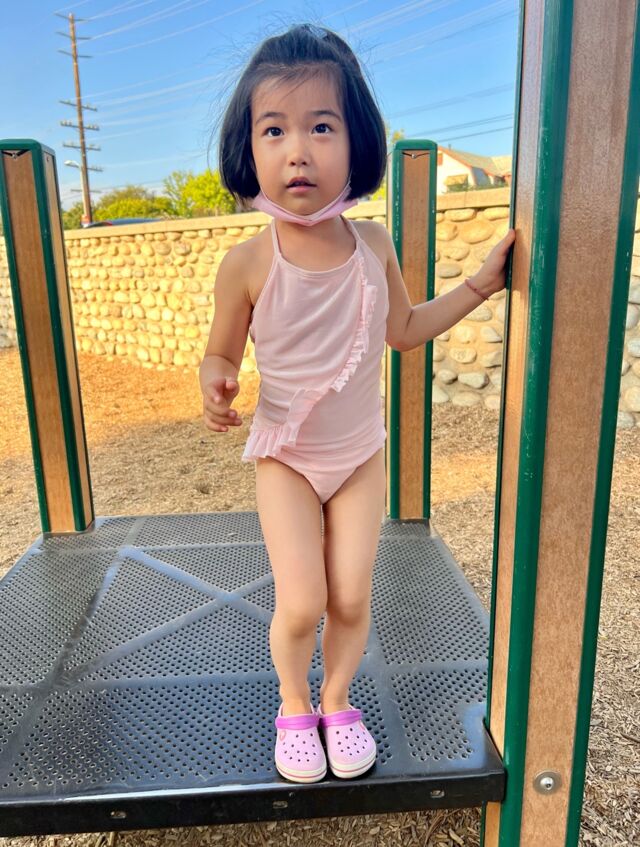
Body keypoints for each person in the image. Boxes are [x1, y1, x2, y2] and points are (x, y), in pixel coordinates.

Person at [199, 22, 515, 785]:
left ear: (356, 142)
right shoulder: (248, 262)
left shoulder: (372, 245)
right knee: (302, 599)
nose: (297, 151)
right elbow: (220, 351)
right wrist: (216, 379)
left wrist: (479, 285)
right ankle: (292, 702)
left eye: (321, 127)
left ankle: (337, 701)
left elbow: (403, 330)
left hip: (359, 456)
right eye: (274, 130)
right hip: (286, 457)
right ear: (249, 147)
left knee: (349, 595)